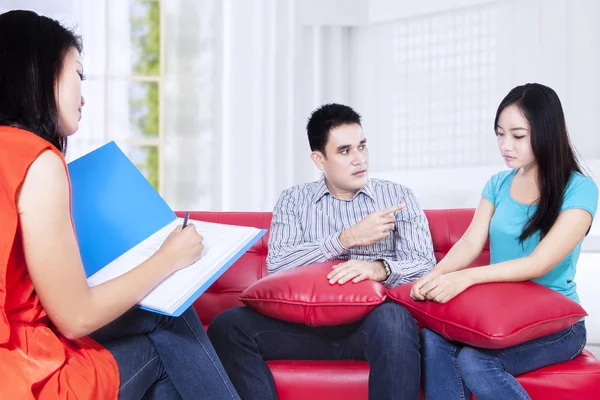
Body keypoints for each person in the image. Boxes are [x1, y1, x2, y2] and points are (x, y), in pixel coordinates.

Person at [0, 10, 239, 400]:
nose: (84, 95)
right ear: (39, 73)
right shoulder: (38, 161)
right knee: (167, 324)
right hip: (23, 377)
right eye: (78, 74)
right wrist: (169, 258)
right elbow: (76, 317)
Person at [208, 103, 437, 400]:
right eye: (345, 151)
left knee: (394, 320)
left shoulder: (397, 196)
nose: (360, 159)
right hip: (301, 327)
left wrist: (379, 269)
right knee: (227, 326)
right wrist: (346, 239)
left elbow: (424, 264)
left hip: (372, 327)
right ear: (319, 159)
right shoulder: (294, 200)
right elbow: (278, 265)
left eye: (362, 146)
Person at [413, 83, 598, 400]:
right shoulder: (498, 184)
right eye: (500, 133)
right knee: (435, 337)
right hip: (500, 315)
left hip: (556, 324)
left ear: (545, 132)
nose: (505, 144)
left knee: (476, 362)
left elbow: (538, 263)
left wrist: (466, 277)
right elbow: (471, 243)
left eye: (517, 135)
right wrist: (435, 274)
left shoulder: (579, 189)